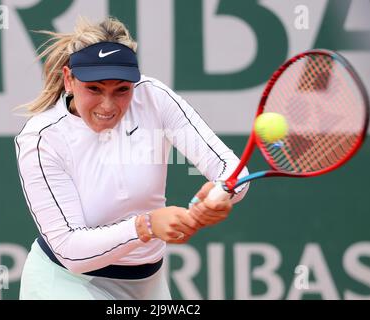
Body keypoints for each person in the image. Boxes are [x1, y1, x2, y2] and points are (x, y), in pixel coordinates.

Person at [15, 16, 249, 300]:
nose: (108, 105)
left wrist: (222, 193)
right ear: (69, 80)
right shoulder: (42, 138)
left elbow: (231, 169)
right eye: (94, 89)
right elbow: (70, 250)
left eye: (122, 90)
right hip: (66, 283)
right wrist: (146, 226)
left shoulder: (153, 97)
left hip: (148, 283)